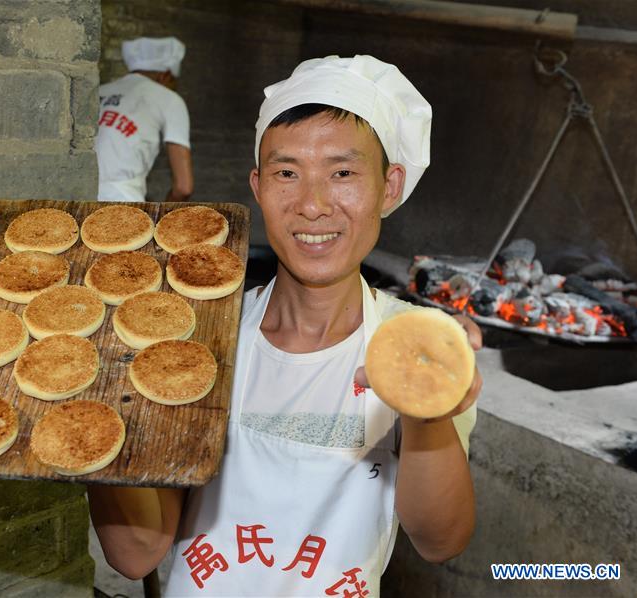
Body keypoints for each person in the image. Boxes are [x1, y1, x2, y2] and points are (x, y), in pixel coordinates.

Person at [88, 55, 481, 597]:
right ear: (258, 186)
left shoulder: (412, 349)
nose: (312, 206)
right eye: (287, 173)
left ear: (389, 186)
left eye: (342, 173)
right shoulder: (205, 337)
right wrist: (99, 396)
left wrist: (427, 414)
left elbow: (440, 541)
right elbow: (135, 554)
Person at [95, 37, 193, 203]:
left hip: (78, 199)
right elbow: (183, 187)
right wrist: (164, 215)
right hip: (124, 205)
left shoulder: (99, 91)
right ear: (165, 75)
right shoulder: (170, 99)